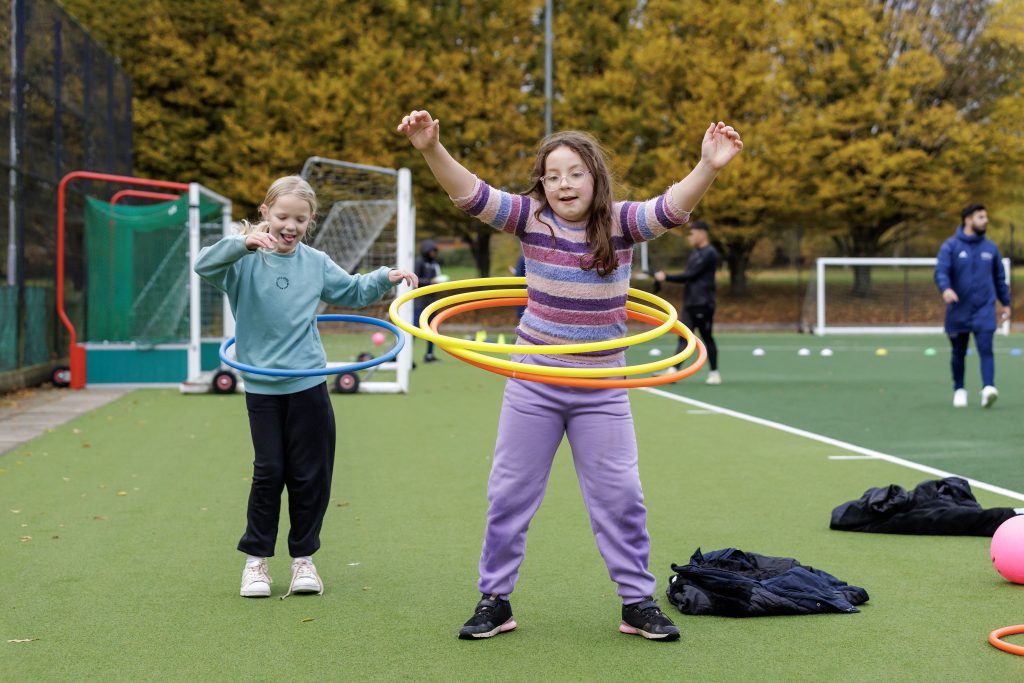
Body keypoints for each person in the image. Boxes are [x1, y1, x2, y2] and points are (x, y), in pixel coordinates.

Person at [398, 109, 742, 641]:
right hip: (534, 378)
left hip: (602, 385)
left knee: (621, 496)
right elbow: (471, 194)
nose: (564, 184)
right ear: (542, 183)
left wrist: (708, 166)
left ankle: (636, 602)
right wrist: (430, 149)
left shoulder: (622, 223)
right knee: (509, 493)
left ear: (595, 179)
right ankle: (495, 599)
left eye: (575, 173)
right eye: (553, 175)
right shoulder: (530, 219)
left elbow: (671, 209)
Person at [194, 176, 417, 598]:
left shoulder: (314, 261)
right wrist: (243, 244)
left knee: (309, 475)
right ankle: (256, 562)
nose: (290, 225)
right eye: (282, 216)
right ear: (265, 213)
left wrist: (386, 277)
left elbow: (349, 291)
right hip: (263, 385)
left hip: (308, 383)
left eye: (299, 218)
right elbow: (204, 264)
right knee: (269, 472)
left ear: (310, 220)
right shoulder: (243, 259)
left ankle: (303, 561)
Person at [935, 203, 1011, 408]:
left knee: (986, 349)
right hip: (958, 311)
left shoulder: (991, 248)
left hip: (984, 310)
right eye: (981, 217)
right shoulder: (950, 246)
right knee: (958, 353)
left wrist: (1006, 303)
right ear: (968, 220)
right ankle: (959, 389)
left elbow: (999, 277)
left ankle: (988, 388)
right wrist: (946, 289)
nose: (985, 220)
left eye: (986, 217)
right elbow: (941, 272)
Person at [654, 220, 721, 384]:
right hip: (690, 302)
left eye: (692, 233)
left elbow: (690, 275)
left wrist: (666, 277)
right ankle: (674, 371)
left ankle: (714, 373)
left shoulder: (709, 253)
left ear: (702, 233)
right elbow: (689, 275)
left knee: (706, 337)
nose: (690, 237)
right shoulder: (695, 253)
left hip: (703, 303)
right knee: (683, 337)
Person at [415, 239, 445, 362]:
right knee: (414, 328)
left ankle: (429, 355)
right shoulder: (419, 262)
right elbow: (416, 279)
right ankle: (400, 355)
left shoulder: (434, 264)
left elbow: (436, 278)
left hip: (432, 301)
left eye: (435, 251)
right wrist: (430, 282)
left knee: (432, 328)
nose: (434, 253)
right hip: (420, 301)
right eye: (431, 251)